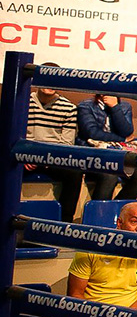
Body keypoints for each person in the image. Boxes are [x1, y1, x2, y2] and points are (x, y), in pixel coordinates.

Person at [24, 63, 83, 222]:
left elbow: (67, 143)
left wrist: (46, 158)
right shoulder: (23, 103)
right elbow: (14, 135)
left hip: (53, 158)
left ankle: (64, 224)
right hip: (25, 156)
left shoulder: (69, 108)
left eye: (54, 80)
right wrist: (25, 156)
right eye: (46, 79)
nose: (49, 85)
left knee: (75, 172)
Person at [76, 94, 137, 201]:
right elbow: (92, 133)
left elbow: (127, 131)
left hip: (118, 154)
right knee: (109, 175)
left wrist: (115, 107)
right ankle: (99, 214)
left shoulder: (125, 107)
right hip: (93, 154)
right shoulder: (85, 106)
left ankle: (117, 211)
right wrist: (122, 140)